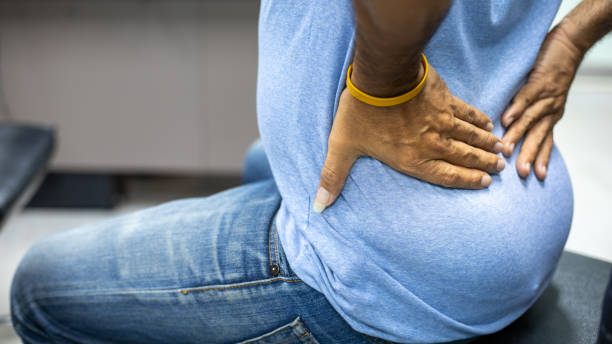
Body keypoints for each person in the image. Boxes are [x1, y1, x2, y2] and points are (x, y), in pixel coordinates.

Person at [9, 0, 611, 343]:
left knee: (37, 289)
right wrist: (575, 36)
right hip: (528, 203)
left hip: (392, 264)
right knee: (256, 162)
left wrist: (386, 87)